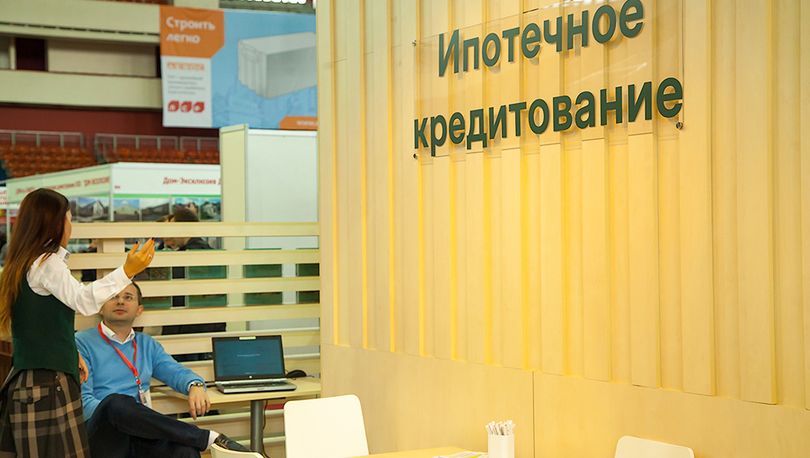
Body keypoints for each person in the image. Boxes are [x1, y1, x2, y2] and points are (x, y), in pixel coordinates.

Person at [0, 188, 155, 458]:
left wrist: (71, 352)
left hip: (28, 380)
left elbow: (39, 325)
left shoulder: (21, 263)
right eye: (69, 218)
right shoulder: (47, 263)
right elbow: (83, 301)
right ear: (55, 222)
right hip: (48, 385)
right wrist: (127, 271)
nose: (71, 226)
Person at [75, 282, 249, 458]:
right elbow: (85, 403)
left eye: (128, 297)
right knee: (116, 403)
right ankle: (205, 437)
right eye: (113, 297)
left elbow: (174, 371)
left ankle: (202, 440)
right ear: (100, 307)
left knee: (185, 451)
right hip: (103, 434)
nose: (120, 301)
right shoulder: (81, 342)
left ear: (139, 310)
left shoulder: (146, 344)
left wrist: (195, 384)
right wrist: (125, 412)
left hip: (140, 432)